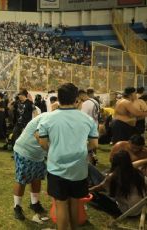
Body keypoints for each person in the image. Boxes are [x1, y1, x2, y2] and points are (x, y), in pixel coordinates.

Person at [37, 83, 98, 230]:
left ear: (58, 98)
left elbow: (43, 143)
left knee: (60, 203)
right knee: (75, 202)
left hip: (56, 167)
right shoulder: (87, 120)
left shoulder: (47, 119)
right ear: (76, 99)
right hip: (79, 169)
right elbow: (94, 144)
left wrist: (54, 150)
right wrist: (81, 149)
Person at [13, 111, 51, 220]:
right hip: (25, 150)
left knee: (37, 178)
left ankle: (34, 203)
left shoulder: (59, 120)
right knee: (22, 179)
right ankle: (17, 207)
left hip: (38, 153)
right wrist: (51, 152)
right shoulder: (48, 117)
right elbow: (38, 135)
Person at [89, 151, 147, 217]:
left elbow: (100, 188)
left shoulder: (114, 177)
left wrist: (88, 190)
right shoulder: (138, 173)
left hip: (125, 210)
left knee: (95, 195)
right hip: (138, 208)